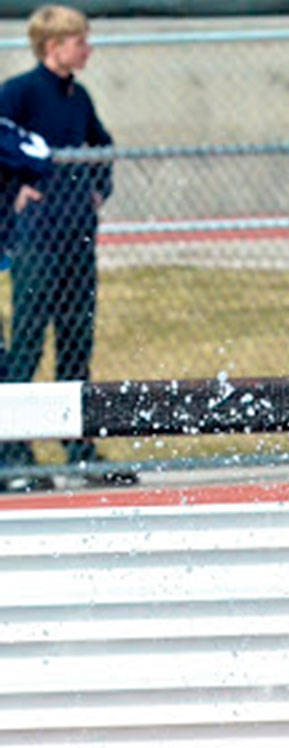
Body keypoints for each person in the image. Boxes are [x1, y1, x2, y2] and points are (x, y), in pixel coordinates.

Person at [0, 4, 132, 493]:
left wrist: (99, 188)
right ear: (53, 46)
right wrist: (16, 189)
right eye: (79, 41)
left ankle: (80, 448)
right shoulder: (19, 93)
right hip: (36, 240)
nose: (87, 49)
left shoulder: (79, 96)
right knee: (27, 343)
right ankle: (14, 453)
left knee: (77, 341)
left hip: (78, 236)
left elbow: (102, 146)